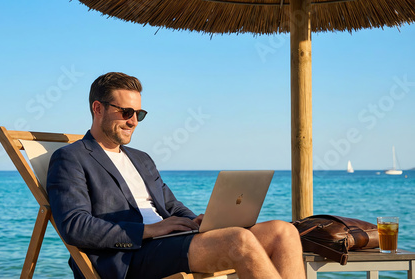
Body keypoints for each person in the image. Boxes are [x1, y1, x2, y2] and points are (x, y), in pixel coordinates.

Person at [47, 72, 305, 279]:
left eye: (139, 114)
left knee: (283, 231)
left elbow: (171, 206)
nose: (134, 121)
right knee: (239, 240)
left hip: (170, 242)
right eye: (126, 112)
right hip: (130, 257)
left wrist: (197, 222)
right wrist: (149, 230)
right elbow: (75, 226)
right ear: (98, 108)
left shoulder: (141, 158)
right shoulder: (71, 158)